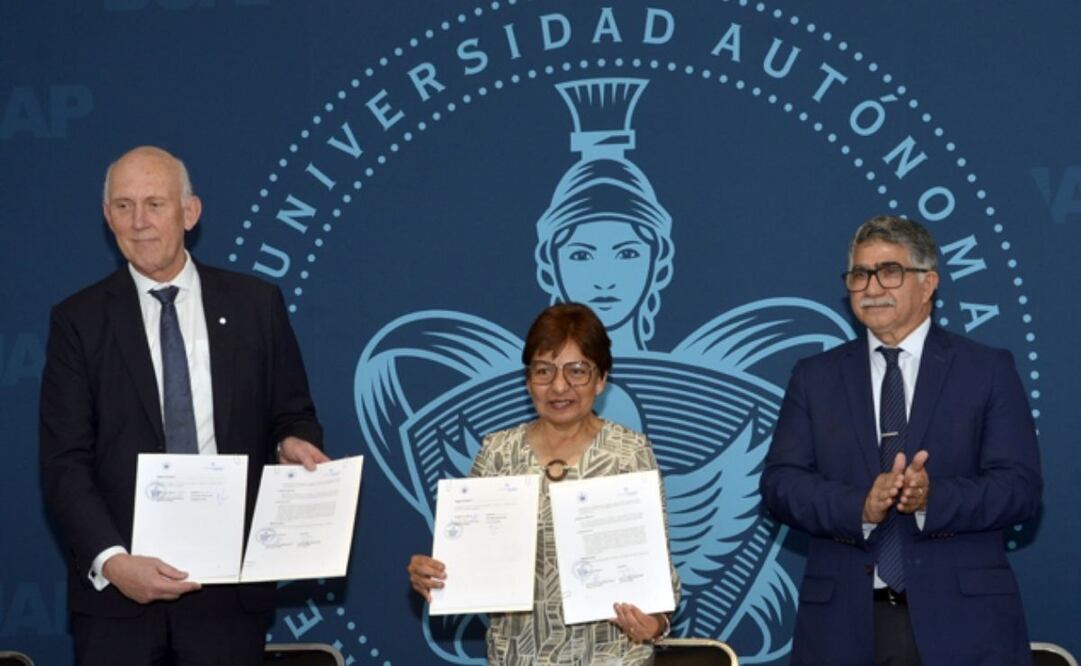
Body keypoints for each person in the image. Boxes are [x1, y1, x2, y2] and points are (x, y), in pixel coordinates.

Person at [39, 145, 329, 665]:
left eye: (155, 204)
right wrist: (113, 562)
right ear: (107, 218)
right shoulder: (78, 321)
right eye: (124, 206)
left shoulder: (256, 305)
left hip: (226, 590)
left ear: (189, 213)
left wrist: (293, 443)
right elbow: (64, 462)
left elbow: (293, 413)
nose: (140, 221)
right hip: (118, 599)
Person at [760, 215, 1042, 665]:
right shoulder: (814, 377)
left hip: (964, 624)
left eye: (889, 271)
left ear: (928, 283)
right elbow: (780, 485)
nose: (871, 287)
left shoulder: (986, 370)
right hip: (844, 628)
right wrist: (859, 507)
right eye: (859, 274)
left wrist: (933, 498)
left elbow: (1021, 489)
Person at [407, 303, 680, 665]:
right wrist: (433, 577)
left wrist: (655, 624)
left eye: (577, 371)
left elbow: (658, 574)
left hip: (612, 657)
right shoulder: (497, 453)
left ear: (601, 379)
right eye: (544, 371)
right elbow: (468, 562)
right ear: (527, 380)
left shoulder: (629, 453)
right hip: (516, 657)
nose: (559, 386)